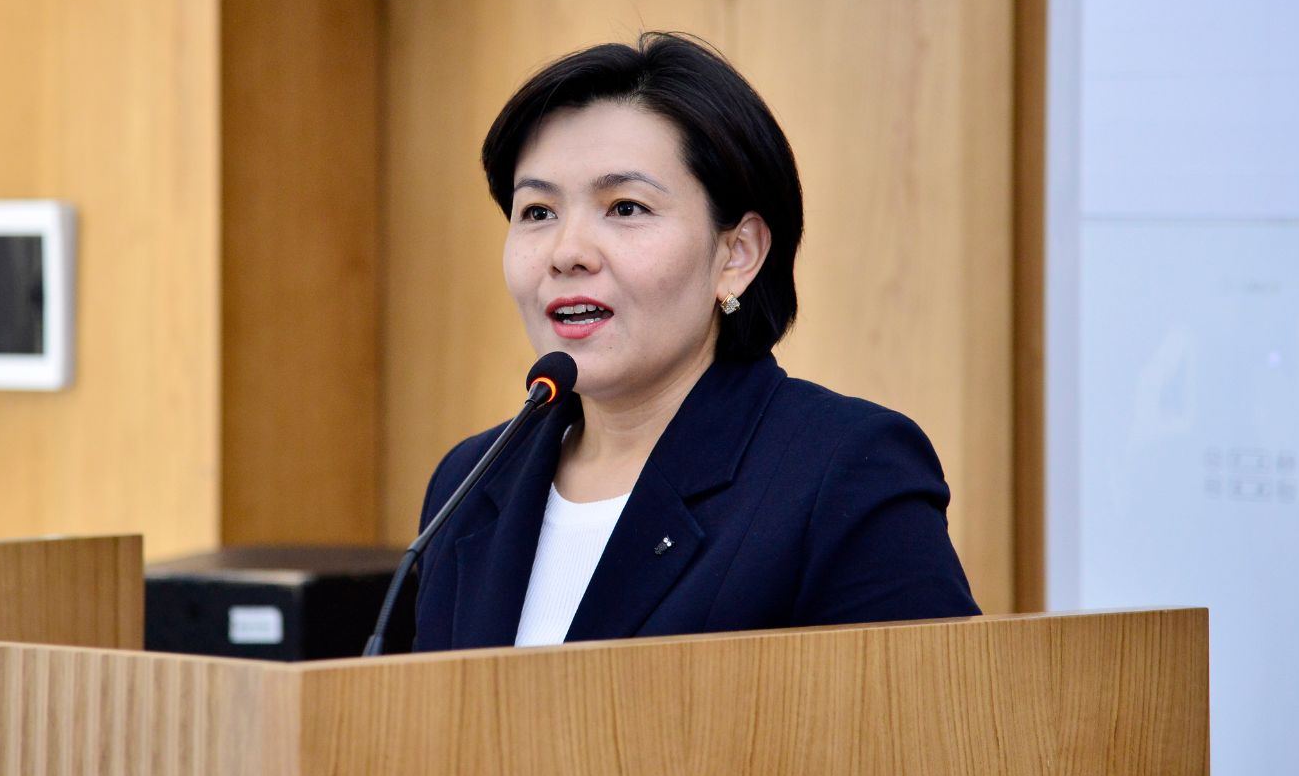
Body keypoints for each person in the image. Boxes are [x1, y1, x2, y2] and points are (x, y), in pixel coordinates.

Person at [412, 33, 978, 652]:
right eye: (538, 212)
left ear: (737, 255)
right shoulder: (470, 482)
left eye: (625, 208)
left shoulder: (843, 472)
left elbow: (925, 712)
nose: (566, 252)